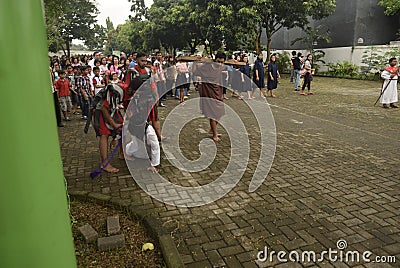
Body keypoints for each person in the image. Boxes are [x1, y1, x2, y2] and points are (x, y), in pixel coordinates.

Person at [193, 51, 226, 141]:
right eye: (218, 61)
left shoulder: (221, 67)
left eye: (222, 62)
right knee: (213, 114)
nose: (220, 64)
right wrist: (196, 63)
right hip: (208, 92)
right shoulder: (206, 67)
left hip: (217, 92)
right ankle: (214, 134)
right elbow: (195, 72)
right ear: (215, 60)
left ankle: (212, 129)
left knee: (220, 112)